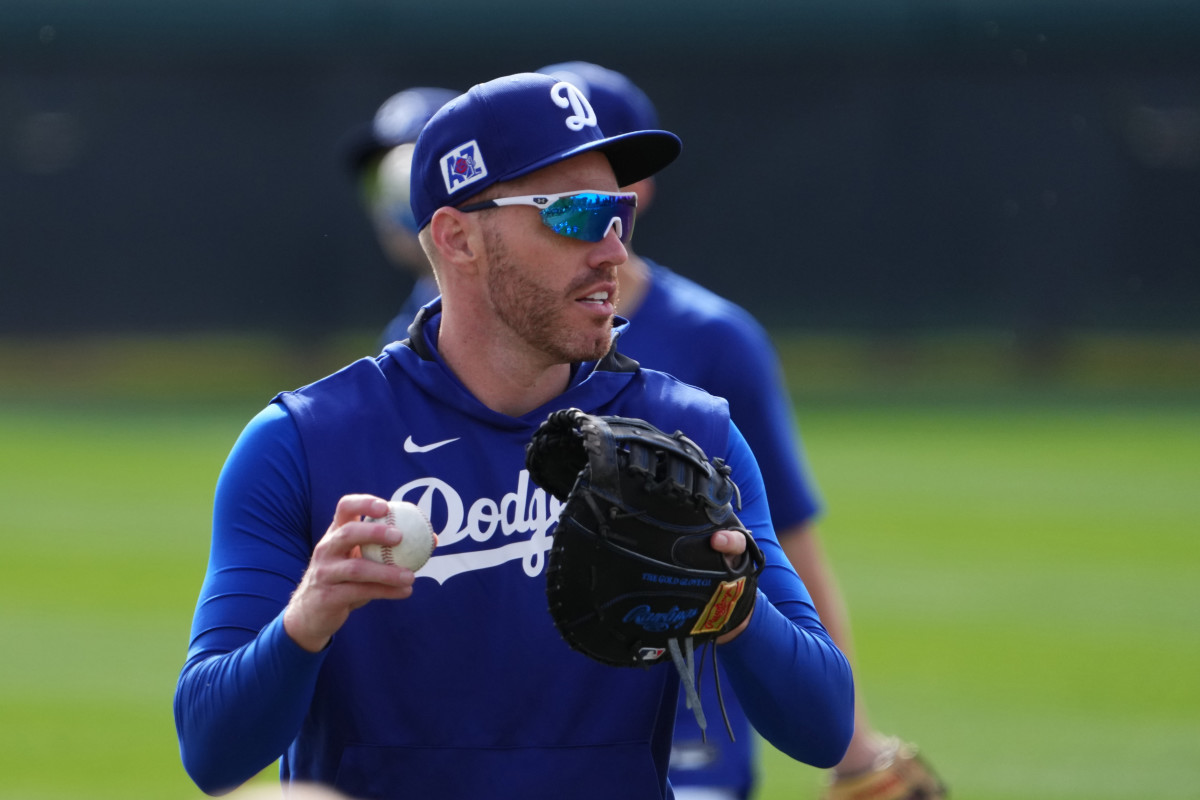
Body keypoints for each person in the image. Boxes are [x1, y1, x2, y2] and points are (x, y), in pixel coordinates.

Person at [174, 71, 855, 799]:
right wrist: (304, 622)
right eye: (575, 215)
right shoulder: (301, 444)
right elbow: (213, 754)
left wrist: (732, 602)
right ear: (457, 237)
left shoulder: (691, 435)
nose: (612, 250)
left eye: (618, 212)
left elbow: (822, 727)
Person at [339, 86, 458, 348]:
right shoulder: (402, 333)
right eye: (377, 181)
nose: (390, 206)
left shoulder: (537, 313)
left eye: (408, 181)